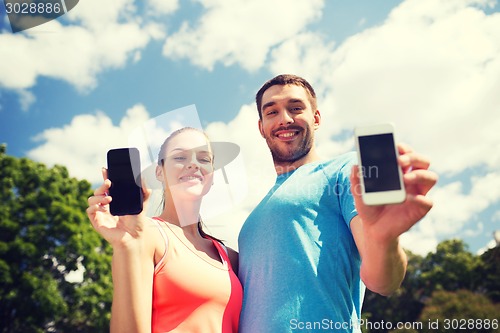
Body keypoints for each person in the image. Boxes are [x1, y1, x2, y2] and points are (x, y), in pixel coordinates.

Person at [237, 74, 438, 333]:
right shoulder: (252, 220)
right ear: (262, 127)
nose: (284, 119)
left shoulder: (345, 169)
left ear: (316, 118)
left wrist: (383, 239)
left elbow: (383, 281)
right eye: (272, 112)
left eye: (296, 108)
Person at [87, 127, 243, 333]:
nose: (194, 164)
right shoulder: (147, 235)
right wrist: (126, 245)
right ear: (159, 172)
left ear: (212, 176)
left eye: (204, 159)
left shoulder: (230, 257)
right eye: (180, 157)